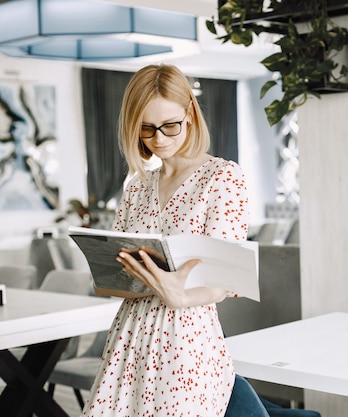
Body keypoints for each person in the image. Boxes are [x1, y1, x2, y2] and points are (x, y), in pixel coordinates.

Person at [81, 64, 249, 416]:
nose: (158, 139)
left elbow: (222, 282)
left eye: (169, 125)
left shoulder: (221, 177)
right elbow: (119, 273)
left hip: (186, 341)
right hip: (129, 337)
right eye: (146, 128)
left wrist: (181, 294)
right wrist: (111, 276)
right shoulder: (136, 187)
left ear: (190, 112)